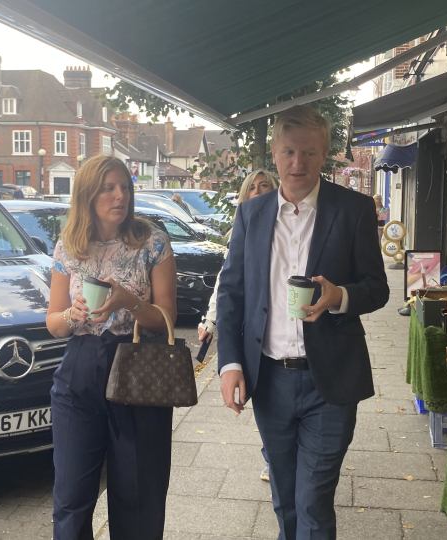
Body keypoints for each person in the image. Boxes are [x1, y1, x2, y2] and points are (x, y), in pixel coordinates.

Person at [217, 105, 389, 540]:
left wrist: (340, 296)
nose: (298, 164)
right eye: (289, 152)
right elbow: (233, 295)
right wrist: (230, 364)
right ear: (274, 154)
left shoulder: (352, 210)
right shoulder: (251, 216)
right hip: (269, 379)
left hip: (329, 381)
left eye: (310, 153)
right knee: (284, 495)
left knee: (313, 498)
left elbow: (377, 287)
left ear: (325, 154)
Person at [45, 155, 178, 540]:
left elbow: (168, 316)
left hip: (137, 367)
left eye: (125, 187)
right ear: (88, 194)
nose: (120, 195)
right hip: (80, 368)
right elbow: (53, 322)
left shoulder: (152, 241)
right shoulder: (69, 247)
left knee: (138, 495)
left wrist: (129, 303)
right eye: (108, 187)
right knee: (70, 497)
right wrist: (74, 313)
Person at [197, 168, 279, 482]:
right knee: (263, 393)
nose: (258, 192)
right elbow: (225, 284)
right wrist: (210, 320)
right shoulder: (241, 233)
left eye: (265, 186)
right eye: (253, 188)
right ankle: (272, 456)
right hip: (252, 326)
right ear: (245, 197)